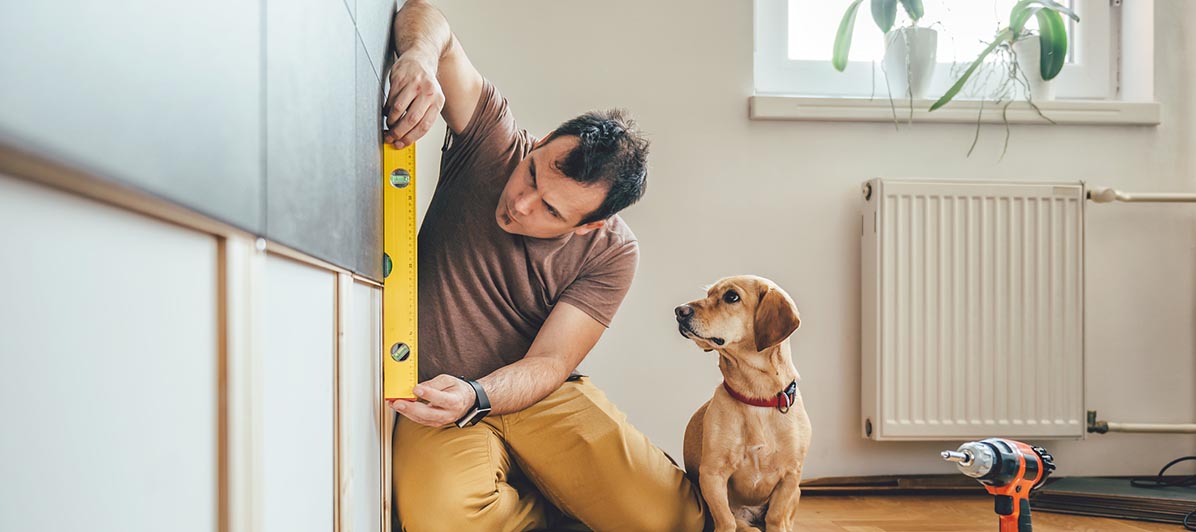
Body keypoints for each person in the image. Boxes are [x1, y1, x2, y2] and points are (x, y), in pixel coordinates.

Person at [381, 1, 707, 531]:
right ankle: (556, 512)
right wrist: (419, 54)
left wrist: (480, 393)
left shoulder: (613, 253)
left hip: (535, 396)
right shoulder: (493, 143)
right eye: (533, 172)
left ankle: (579, 490)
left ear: (588, 225)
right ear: (540, 143)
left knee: (675, 523)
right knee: (440, 522)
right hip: (438, 398)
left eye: (552, 209)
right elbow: (425, 15)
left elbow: (551, 363)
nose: (522, 203)